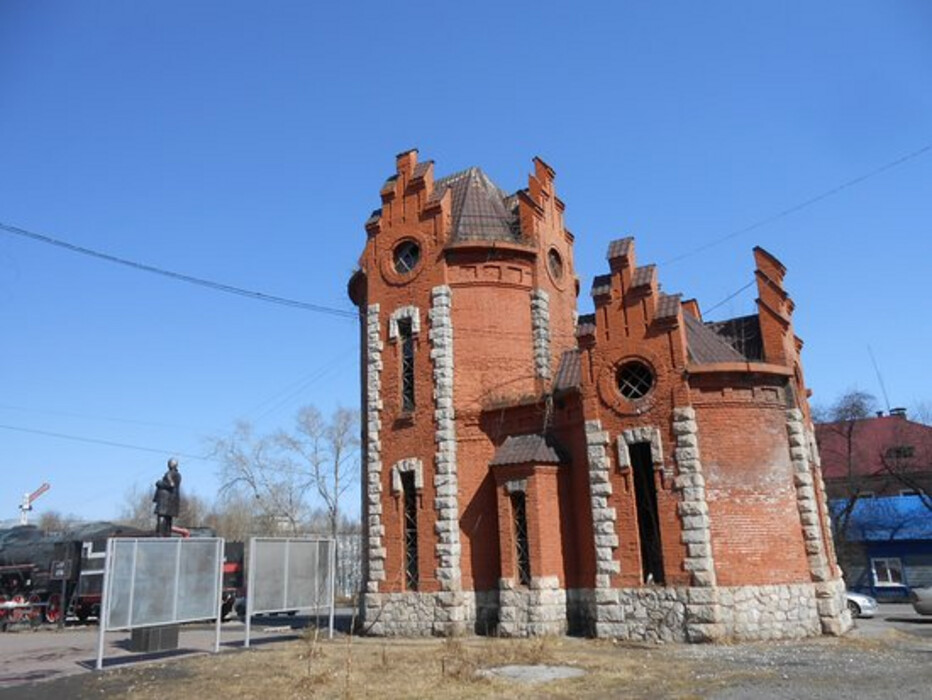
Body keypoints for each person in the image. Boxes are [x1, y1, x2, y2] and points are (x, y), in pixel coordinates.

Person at [153, 458, 182, 537]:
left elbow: (170, 484)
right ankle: (166, 535)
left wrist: (159, 483)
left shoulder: (169, 474)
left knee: (162, 517)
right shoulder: (177, 475)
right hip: (171, 501)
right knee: (168, 520)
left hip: (165, 500)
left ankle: (161, 535)